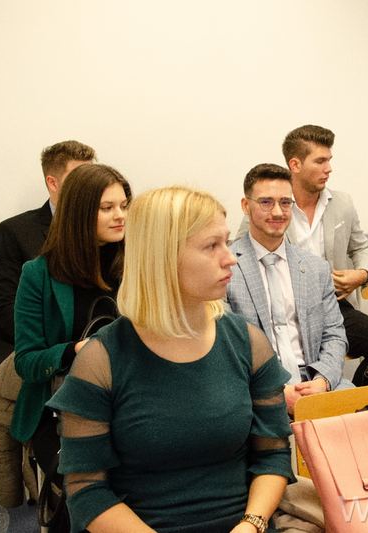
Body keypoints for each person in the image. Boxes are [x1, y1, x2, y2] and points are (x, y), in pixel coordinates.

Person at [47, 185, 294, 533]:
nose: (231, 258)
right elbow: (86, 489)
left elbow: (273, 455)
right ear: (162, 257)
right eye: (212, 246)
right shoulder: (102, 360)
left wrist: (251, 524)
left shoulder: (247, 342)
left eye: (226, 242)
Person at [0, 140, 96, 442]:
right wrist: (62, 347)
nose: (90, 188)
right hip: (31, 342)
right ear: (53, 183)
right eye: (79, 179)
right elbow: (6, 308)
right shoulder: (18, 231)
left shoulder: (107, 229)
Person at [11, 164, 131, 477]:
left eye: (123, 205)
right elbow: (26, 361)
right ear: (79, 212)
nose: (120, 215)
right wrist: (75, 350)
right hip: (60, 406)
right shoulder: (38, 274)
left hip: (129, 399)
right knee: (85, 477)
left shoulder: (135, 264)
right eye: (107, 208)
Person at [236, 126, 368, 373]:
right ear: (295, 165)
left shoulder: (343, 203)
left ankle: (359, 389)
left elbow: (362, 247)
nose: (329, 168)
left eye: (329, 160)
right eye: (320, 161)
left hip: (334, 304)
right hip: (284, 302)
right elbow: (241, 254)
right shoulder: (268, 209)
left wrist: (362, 275)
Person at [227, 163, 351, 416]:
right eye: (266, 202)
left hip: (316, 382)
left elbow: (335, 335)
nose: (277, 212)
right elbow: (226, 350)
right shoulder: (225, 269)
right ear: (245, 206)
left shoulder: (315, 268)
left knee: (367, 418)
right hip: (257, 392)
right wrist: (276, 391)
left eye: (285, 203)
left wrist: (322, 381)